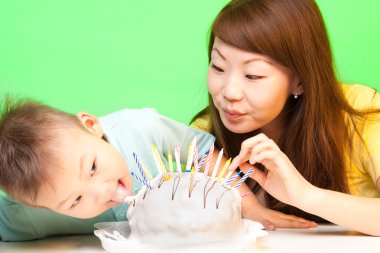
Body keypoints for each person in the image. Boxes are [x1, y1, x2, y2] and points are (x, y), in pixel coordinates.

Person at [191, 0, 380, 236]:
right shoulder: (205, 134)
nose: (229, 91)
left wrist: (306, 195)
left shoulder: (360, 113)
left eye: (253, 75)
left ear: (300, 80)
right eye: (218, 67)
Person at [0, 97, 216, 241]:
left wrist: (249, 211)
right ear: (40, 207)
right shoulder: (25, 214)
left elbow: (207, 152)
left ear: (91, 125)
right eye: (76, 200)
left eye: (93, 167)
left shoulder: (139, 128)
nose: (102, 192)